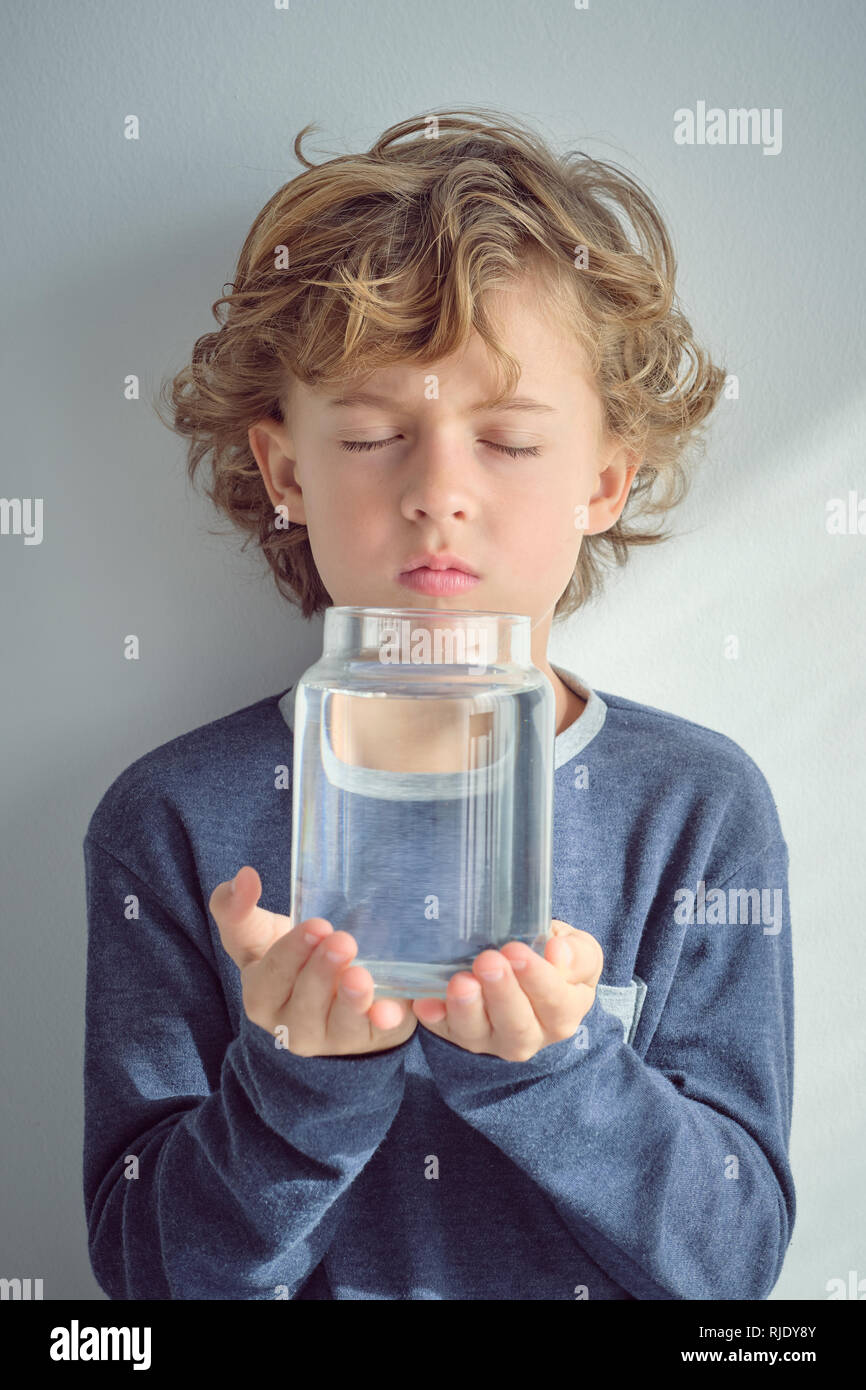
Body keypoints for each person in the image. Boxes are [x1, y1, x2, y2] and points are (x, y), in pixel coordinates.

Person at [82, 108, 795, 1299]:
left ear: (604, 480)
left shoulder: (693, 808)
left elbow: (731, 1269)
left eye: (509, 442)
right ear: (286, 471)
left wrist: (554, 1068)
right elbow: (148, 1283)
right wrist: (298, 1082)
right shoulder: (172, 818)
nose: (437, 494)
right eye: (370, 435)